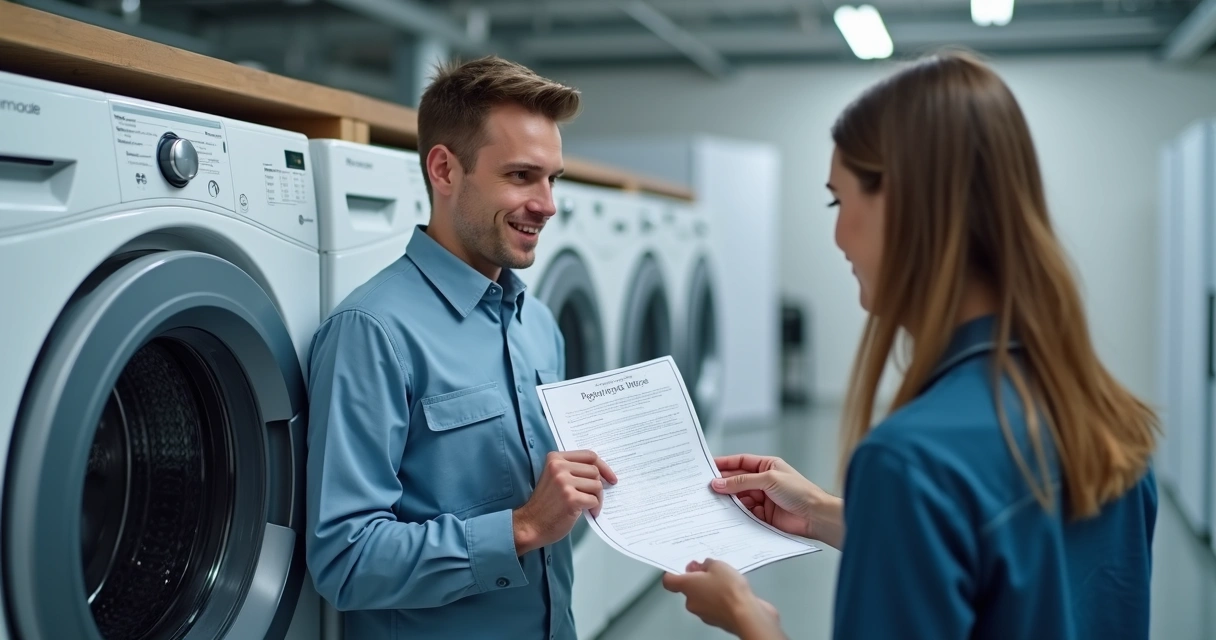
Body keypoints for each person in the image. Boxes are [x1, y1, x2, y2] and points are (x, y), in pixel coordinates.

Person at [661, 49, 1159, 640]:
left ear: (904, 206)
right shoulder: (1106, 421)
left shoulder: (909, 460)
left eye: (838, 200)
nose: (838, 234)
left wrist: (749, 620)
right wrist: (823, 513)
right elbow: (1008, 566)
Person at [304, 56, 617, 639]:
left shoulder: (539, 323)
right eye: (522, 176)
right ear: (445, 171)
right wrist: (522, 527)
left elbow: (554, 502)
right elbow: (344, 559)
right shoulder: (372, 332)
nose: (547, 204)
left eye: (554, 178)